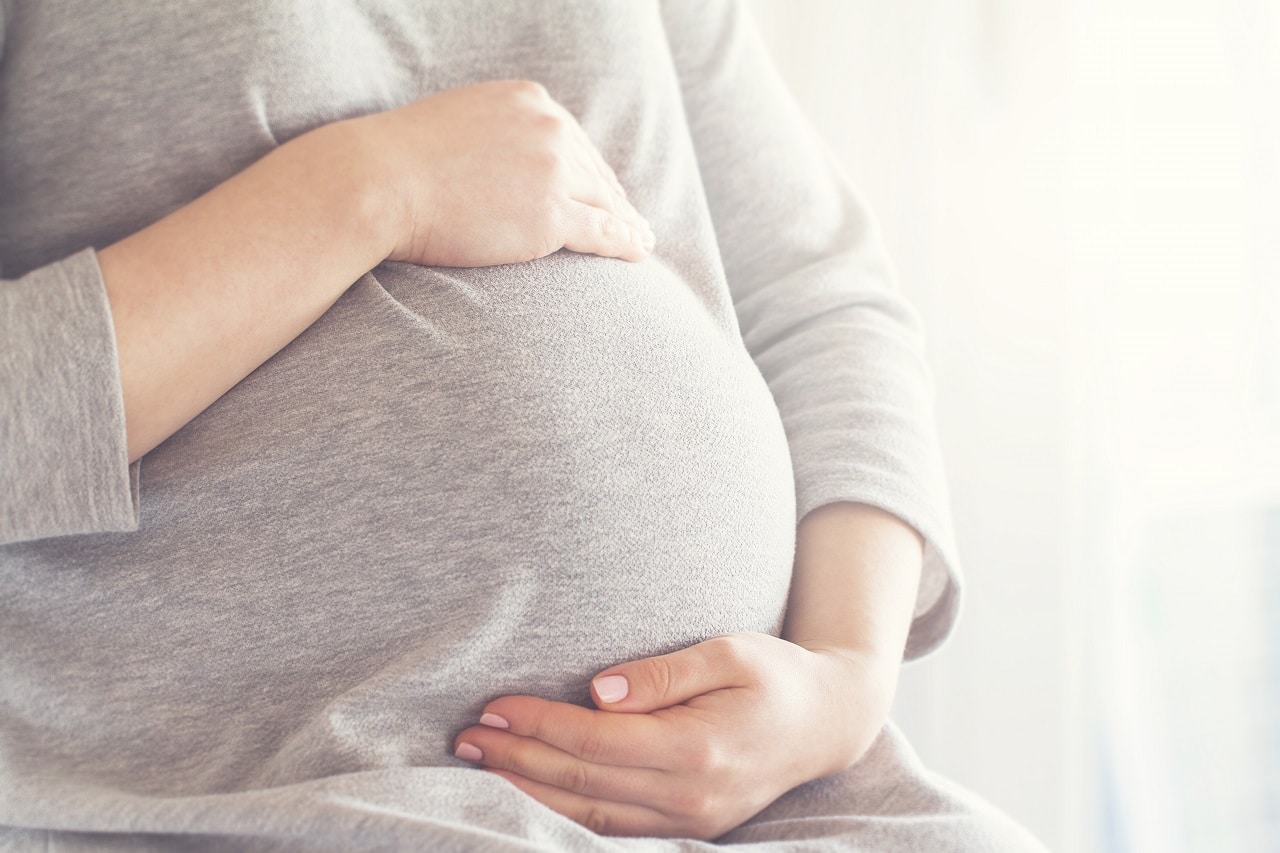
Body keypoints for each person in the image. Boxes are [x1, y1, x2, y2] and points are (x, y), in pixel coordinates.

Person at [0, 0, 1049, 850]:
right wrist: (369, 188)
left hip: (769, 800)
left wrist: (841, 685)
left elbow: (820, 296)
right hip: (231, 792)